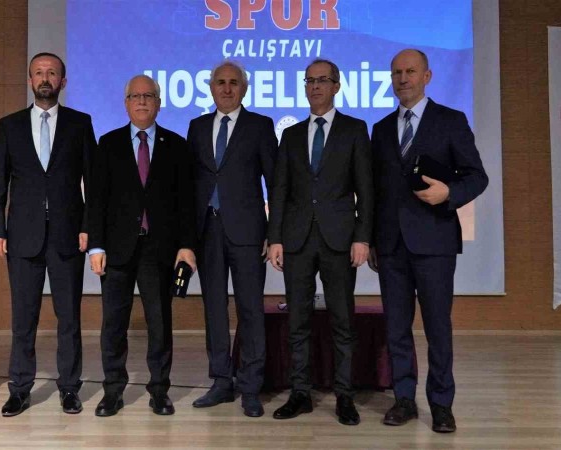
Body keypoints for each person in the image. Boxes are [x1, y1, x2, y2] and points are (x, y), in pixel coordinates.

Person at [369, 49, 488, 433]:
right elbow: (375, 191)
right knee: (396, 328)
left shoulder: (451, 121)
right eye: (397, 72)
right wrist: (371, 239)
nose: (403, 78)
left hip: (435, 242)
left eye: (410, 71)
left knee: (438, 328)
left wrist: (449, 193)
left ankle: (441, 404)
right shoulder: (381, 129)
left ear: (427, 76)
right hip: (390, 246)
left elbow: (477, 176)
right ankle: (404, 399)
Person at [0, 52, 96, 417]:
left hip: (68, 235)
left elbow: (93, 182)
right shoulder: (10, 125)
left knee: (69, 318)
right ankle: (19, 389)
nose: (45, 78)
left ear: (63, 81)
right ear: (30, 80)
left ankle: (69, 388)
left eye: (51, 73)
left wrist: (89, 226)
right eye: (38, 73)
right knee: (23, 318)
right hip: (22, 236)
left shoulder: (80, 123)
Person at [267, 59, 373, 424]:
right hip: (296, 240)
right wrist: (275, 237)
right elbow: (279, 190)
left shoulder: (355, 130)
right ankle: (300, 393)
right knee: (298, 321)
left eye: (322, 80)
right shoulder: (291, 135)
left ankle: (344, 396)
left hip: (339, 239)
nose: (315, 86)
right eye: (309, 81)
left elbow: (366, 189)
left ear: (336, 86)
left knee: (343, 321)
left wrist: (362, 237)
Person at [86, 75, 197, 417]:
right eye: (135, 96)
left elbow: (186, 202)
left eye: (149, 96)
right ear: (126, 104)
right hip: (117, 250)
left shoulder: (176, 145)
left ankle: (159, 391)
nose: (142, 101)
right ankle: (112, 391)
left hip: (159, 250)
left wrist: (186, 245)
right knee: (113, 323)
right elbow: (96, 199)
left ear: (159, 103)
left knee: (159, 323)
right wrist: (96, 246)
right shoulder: (108, 143)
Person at [187, 60, 277, 418]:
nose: (226, 88)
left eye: (233, 83)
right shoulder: (196, 127)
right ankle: (221, 381)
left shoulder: (260, 126)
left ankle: (251, 387)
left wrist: (274, 233)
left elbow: (275, 182)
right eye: (220, 82)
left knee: (250, 310)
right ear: (211, 88)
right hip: (206, 232)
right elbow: (189, 184)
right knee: (214, 308)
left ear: (244, 88)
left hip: (249, 233)